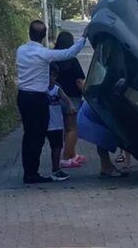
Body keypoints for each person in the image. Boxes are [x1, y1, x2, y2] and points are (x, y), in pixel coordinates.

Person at [16, 20, 86, 184]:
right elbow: (68, 53)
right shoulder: (44, 54)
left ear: (29, 33)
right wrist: (83, 38)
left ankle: (29, 170)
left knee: (28, 135)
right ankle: (32, 174)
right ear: (44, 35)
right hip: (38, 98)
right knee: (38, 136)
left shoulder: (20, 50)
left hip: (23, 96)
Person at [53, 31, 88, 169]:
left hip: (56, 98)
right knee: (73, 128)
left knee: (65, 129)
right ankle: (67, 158)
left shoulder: (53, 59)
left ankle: (72, 154)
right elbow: (79, 81)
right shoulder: (72, 61)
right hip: (72, 98)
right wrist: (88, 93)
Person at [77, 100, 129, 178]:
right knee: (102, 137)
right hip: (96, 110)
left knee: (102, 137)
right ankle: (106, 166)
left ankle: (106, 166)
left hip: (93, 108)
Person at [45, 64, 76, 181]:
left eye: (53, 75)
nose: (50, 78)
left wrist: (70, 105)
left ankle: (56, 169)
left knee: (57, 147)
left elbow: (66, 98)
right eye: (48, 75)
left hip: (56, 124)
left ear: (56, 76)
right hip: (45, 123)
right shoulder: (41, 89)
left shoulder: (57, 90)